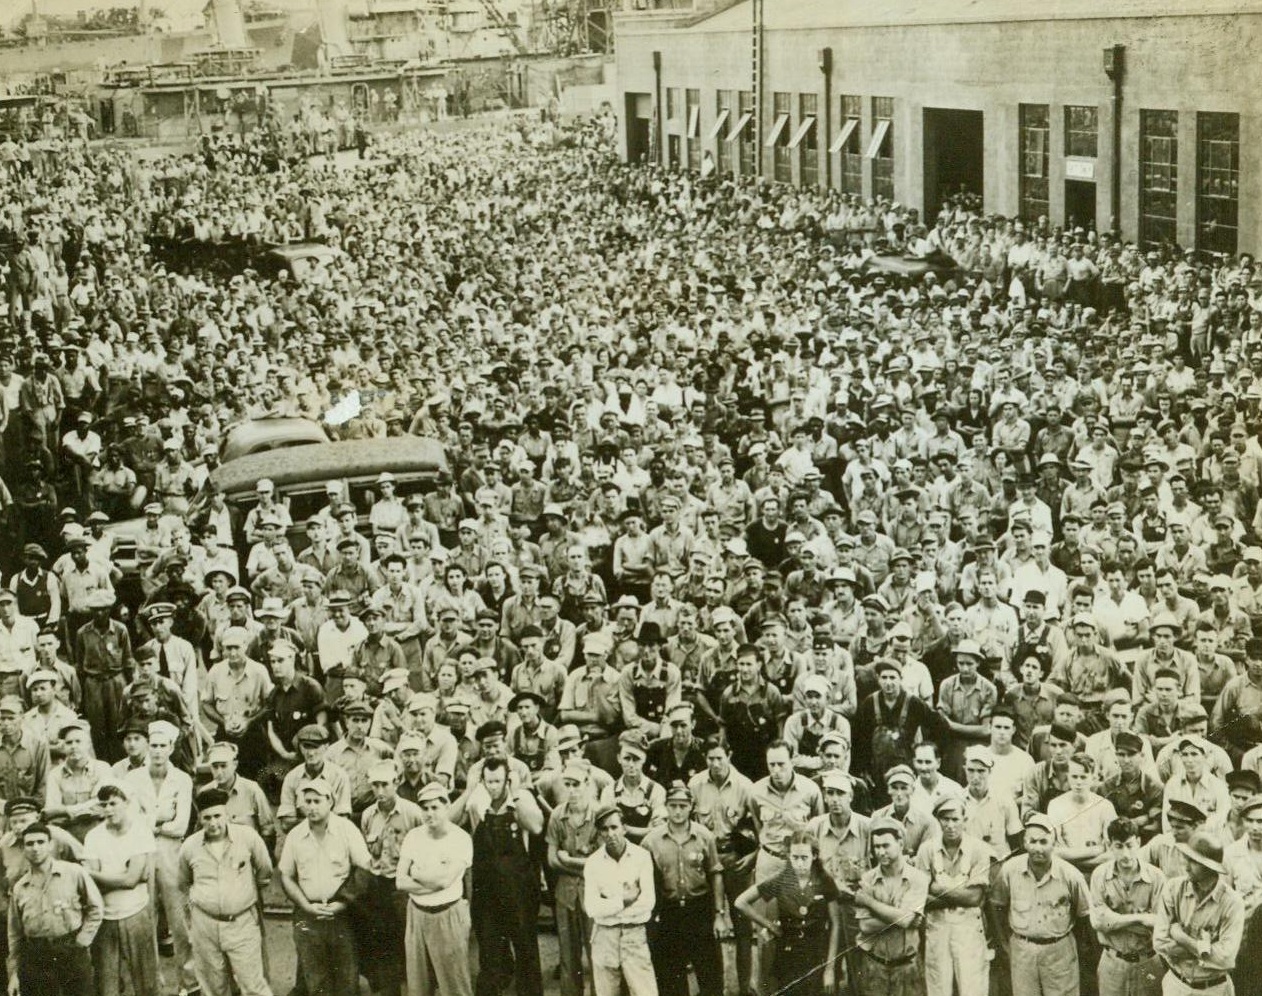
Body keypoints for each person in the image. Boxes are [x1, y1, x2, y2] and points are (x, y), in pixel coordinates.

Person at [277, 776, 371, 996]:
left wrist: (342, 903)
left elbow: (364, 869)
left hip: (342, 914)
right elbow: (286, 876)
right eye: (307, 801)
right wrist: (306, 906)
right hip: (308, 913)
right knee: (314, 977)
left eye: (317, 801)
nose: (311, 807)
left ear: (330, 801)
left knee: (347, 976)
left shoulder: (346, 829)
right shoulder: (295, 835)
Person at [176, 786, 273, 996]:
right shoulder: (190, 847)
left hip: (241, 923)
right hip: (206, 926)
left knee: (253, 986)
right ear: (200, 819)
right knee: (213, 988)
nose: (213, 823)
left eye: (218, 816)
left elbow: (264, 870)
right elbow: (183, 884)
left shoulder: (248, 837)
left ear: (226, 814)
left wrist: (242, 895)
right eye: (207, 818)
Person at [992, 813, 1092, 996]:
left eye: (1044, 842)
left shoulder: (1070, 875)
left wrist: (1075, 949)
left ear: (1054, 843)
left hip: (1059, 951)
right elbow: (998, 907)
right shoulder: (1010, 870)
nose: (1038, 848)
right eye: (1032, 841)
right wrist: (1005, 945)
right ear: (1024, 843)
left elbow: (1085, 917)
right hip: (1022, 951)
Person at [641, 782, 726, 996]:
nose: (677, 811)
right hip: (668, 912)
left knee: (709, 974)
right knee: (670, 977)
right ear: (666, 807)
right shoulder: (651, 841)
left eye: (682, 805)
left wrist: (718, 914)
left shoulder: (704, 837)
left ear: (691, 807)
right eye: (672, 806)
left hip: (699, 909)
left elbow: (715, 873)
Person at [736, 828, 844, 996]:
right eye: (795, 857)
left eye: (804, 858)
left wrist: (829, 969)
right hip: (788, 954)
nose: (799, 863)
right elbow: (741, 902)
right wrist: (769, 926)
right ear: (789, 856)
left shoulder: (824, 880)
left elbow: (835, 924)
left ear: (814, 856)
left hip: (817, 952)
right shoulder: (781, 879)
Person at [396, 781, 475, 996]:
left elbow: (445, 882)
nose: (429, 813)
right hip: (417, 916)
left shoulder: (461, 838)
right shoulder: (413, 836)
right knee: (418, 986)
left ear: (447, 807)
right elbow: (400, 882)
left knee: (455, 986)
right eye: (424, 808)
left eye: (435, 807)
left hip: (448, 915)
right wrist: (431, 882)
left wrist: (417, 874)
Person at [5, 819, 101, 996]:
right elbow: (15, 934)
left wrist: (82, 941)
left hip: (71, 949)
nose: (35, 848)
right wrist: (14, 972)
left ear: (50, 845)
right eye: (30, 844)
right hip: (36, 954)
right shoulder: (20, 888)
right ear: (24, 849)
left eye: (41, 842)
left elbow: (95, 908)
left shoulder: (73, 873)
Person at [83, 781, 159, 996]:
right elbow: (93, 887)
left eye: (114, 803)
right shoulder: (93, 837)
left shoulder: (140, 832)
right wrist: (122, 876)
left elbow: (132, 880)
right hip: (105, 919)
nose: (108, 810)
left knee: (146, 984)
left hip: (136, 914)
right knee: (107, 987)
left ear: (127, 803)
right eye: (104, 804)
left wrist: (94, 875)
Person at [916, 794, 992, 996]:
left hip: (969, 931)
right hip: (937, 931)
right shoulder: (926, 850)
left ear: (965, 819)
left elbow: (974, 899)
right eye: (945, 819)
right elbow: (920, 899)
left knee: (973, 988)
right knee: (938, 988)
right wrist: (959, 895)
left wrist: (937, 889)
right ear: (938, 820)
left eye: (955, 819)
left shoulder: (979, 850)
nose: (950, 825)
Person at [1153, 831, 1244, 996]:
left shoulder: (1232, 902)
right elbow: (1160, 942)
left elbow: (1225, 958)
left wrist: (1182, 938)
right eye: (1186, 858)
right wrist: (1205, 950)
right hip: (1176, 985)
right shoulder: (1173, 888)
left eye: (1194, 861)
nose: (1186, 866)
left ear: (1210, 867)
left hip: (1214, 988)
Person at [584, 804, 658, 996]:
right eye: (604, 829)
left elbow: (647, 903)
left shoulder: (641, 857)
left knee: (645, 992)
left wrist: (608, 906)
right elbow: (591, 908)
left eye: (614, 827)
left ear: (624, 828)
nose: (610, 834)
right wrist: (623, 901)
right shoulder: (592, 863)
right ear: (599, 833)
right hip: (604, 937)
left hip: (634, 935)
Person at [1088, 817, 1165, 996]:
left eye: (1130, 845)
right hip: (1113, 963)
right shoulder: (1099, 875)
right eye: (1119, 846)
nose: (1125, 854)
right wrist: (1141, 918)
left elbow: (1160, 924)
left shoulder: (1156, 877)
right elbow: (1099, 923)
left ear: (1138, 842)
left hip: (1148, 963)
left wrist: (1114, 920)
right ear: (1109, 845)